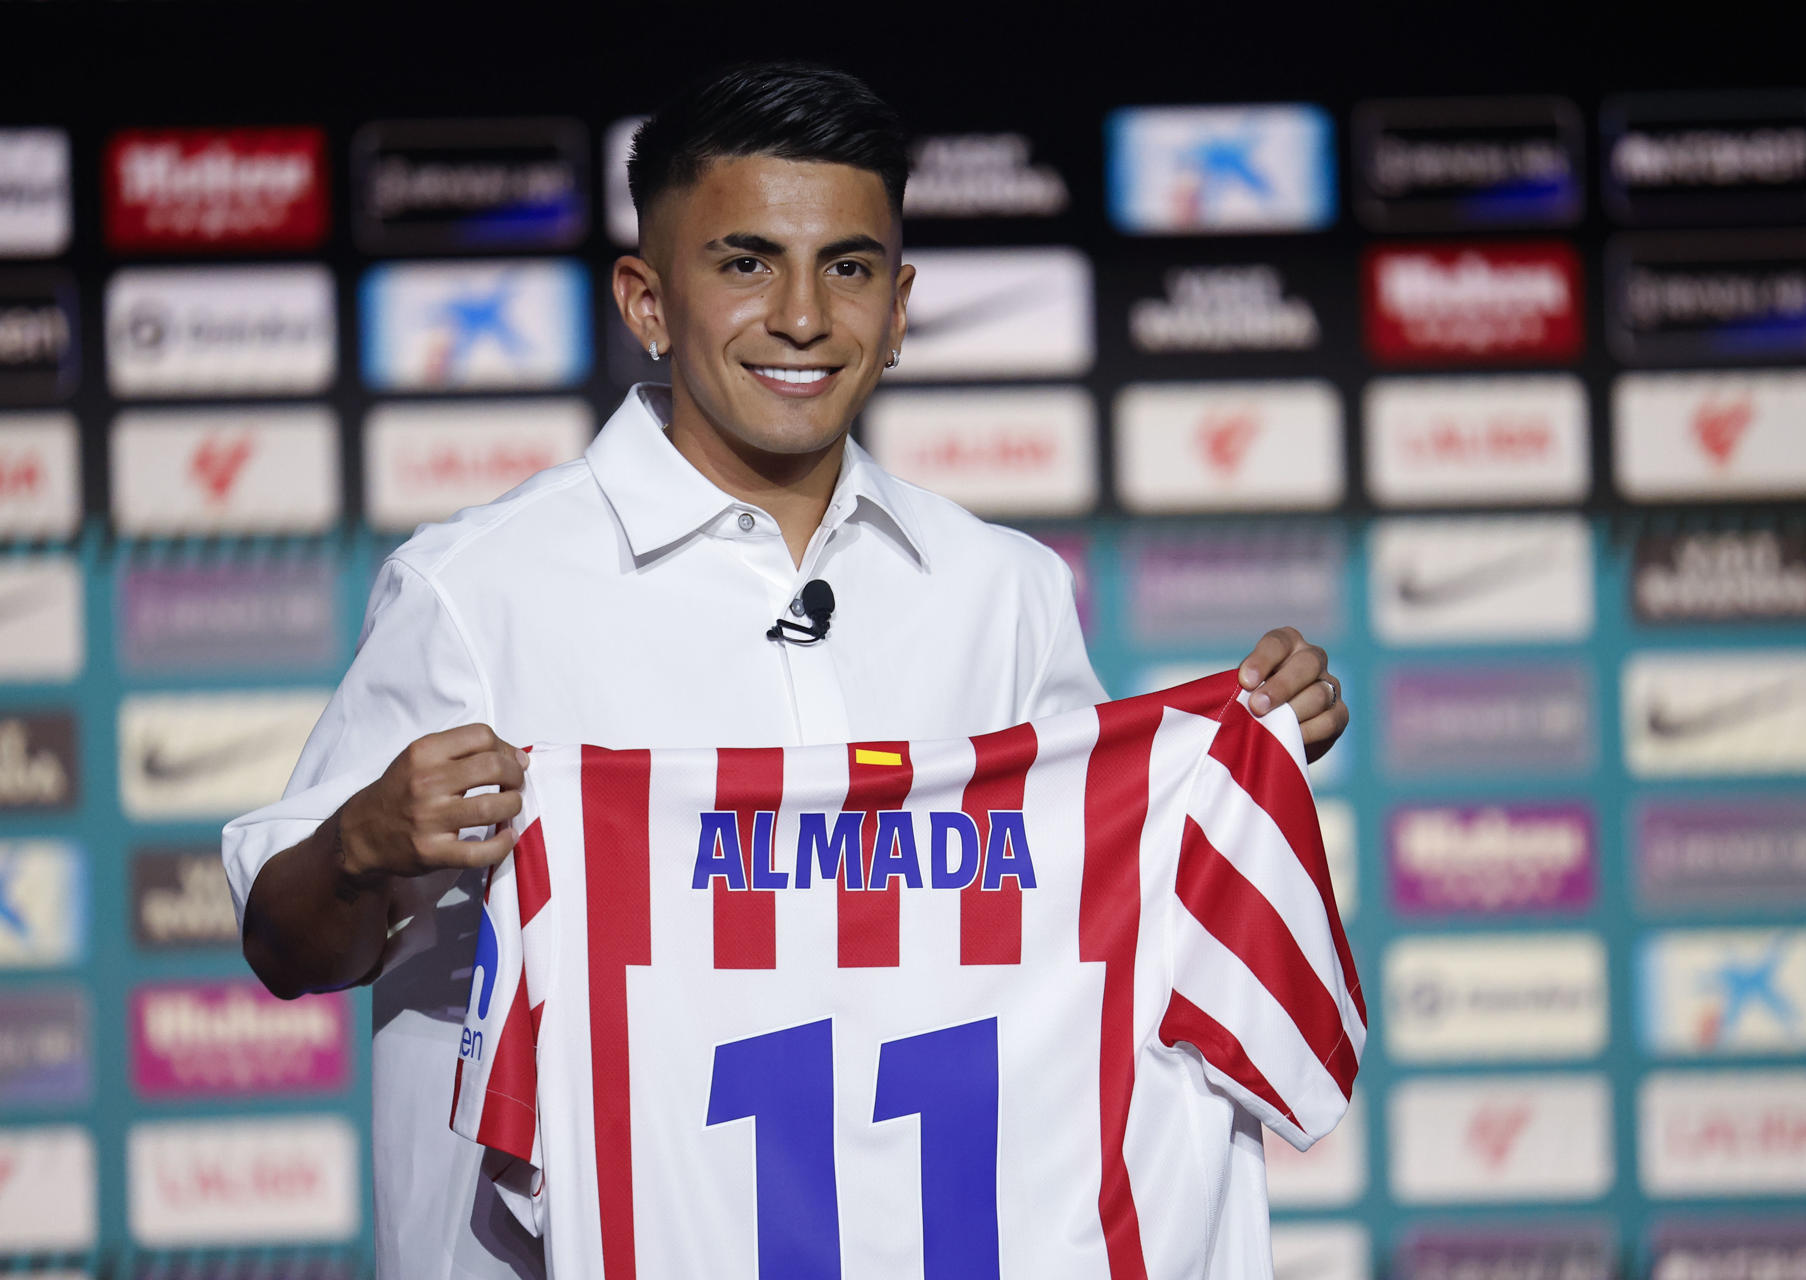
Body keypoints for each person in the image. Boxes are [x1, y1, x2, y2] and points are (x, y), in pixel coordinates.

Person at [222, 60, 1348, 1280]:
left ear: (902, 305)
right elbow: (288, 948)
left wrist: (1238, 756)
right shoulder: (476, 586)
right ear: (648, 301)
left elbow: (1081, 937)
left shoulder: (1002, 591)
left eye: (849, 266)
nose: (804, 315)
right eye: (746, 262)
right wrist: (361, 843)